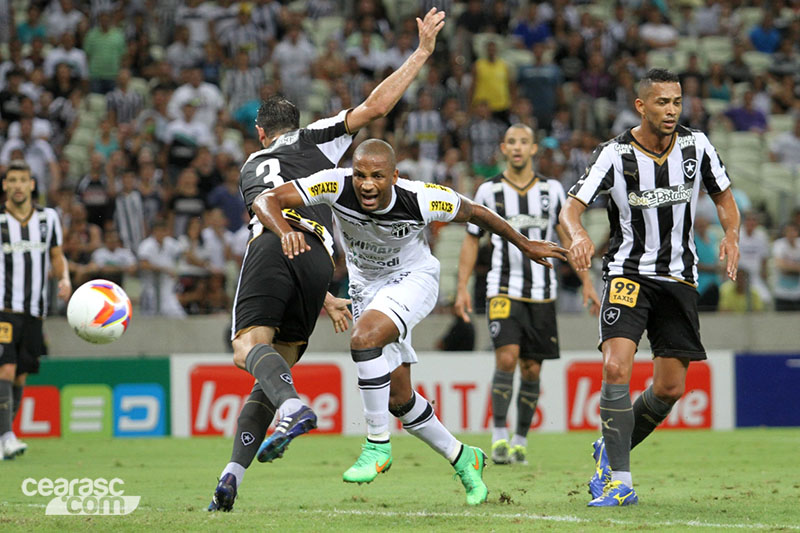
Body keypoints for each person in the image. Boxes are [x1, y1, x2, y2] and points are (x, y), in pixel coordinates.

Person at [207, 8, 447, 512]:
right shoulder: (320, 137)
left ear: (260, 132)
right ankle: (231, 477)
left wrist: (277, 233)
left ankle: (293, 407)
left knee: (248, 348)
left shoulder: (253, 162)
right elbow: (376, 106)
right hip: (319, 259)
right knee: (275, 371)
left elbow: (263, 205)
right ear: (295, 125)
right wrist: (421, 52)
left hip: (276, 243)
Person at [255, 139, 568, 505]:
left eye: (377, 176)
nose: (367, 184)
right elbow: (266, 200)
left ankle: (376, 444)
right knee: (399, 398)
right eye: (360, 175)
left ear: (394, 176)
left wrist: (523, 244)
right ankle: (464, 457)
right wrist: (284, 231)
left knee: (363, 338)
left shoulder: (420, 197)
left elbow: (477, 213)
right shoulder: (334, 184)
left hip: (413, 277)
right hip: (366, 289)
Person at [559, 69, 740, 507]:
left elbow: (725, 200)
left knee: (670, 388)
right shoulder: (614, 154)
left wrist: (731, 236)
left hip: (679, 279)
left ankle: (611, 447)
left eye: (677, 102)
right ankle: (620, 480)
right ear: (641, 106)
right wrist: (578, 234)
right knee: (616, 368)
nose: (671, 110)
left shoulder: (697, 146)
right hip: (628, 275)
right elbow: (571, 209)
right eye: (662, 102)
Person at [454, 124, 600, 467]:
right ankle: (499, 435)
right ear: (503, 148)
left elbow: (570, 240)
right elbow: (472, 239)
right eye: (512, 142)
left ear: (534, 149)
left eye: (524, 142)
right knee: (506, 357)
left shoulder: (552, 190)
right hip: (502, 288)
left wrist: (588, 283)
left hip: (543, 291)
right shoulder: (488, 191)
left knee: (532, 368)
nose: (518, 148)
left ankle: (520, 439)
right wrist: (461, 286)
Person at [0, 160, 70, 460]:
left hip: (35, 311)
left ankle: (5, 436)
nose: (17, 185)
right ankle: (7, 436)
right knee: (6, 368)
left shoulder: (48, 218)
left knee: (21, 376)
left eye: (22, 180)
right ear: (5, 185)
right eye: (12, 180)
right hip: (4, 307)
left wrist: (64, 277)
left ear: (31, 184)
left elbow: (56, 255)